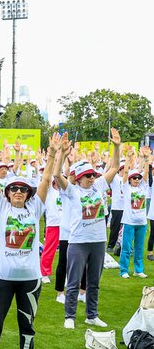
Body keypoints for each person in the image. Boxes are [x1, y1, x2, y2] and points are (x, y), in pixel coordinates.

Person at [0, 130, 57, 349]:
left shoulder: (35, 208)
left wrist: (54, 153)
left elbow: (45, 180)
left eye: (23, 189)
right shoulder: (0, 207)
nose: (18, 192)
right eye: (14, 189)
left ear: (28, 193)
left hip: (30, 278)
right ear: (8, 193)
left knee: (28, 325)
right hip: (1, 277)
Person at [55, 128, 121, 329]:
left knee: (94, 282)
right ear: (78, 178)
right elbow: (57, 175)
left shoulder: (100, 186)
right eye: (87, 175)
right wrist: (62, 155)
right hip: (78, 241)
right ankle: (70, 316)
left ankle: (92, 315)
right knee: (73, 281)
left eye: (92, 174)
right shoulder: (71, 191)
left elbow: (115, 166)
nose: (91, 178)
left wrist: (117, 147)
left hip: (98, 241)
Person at [118, 147, 150, 279]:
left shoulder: (143, 187)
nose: (137, 179)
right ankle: (123, 270)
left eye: (138, 178)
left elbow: (147, 172)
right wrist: (128, 158)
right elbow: (125, 172)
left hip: (142, 222)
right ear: (130, 180)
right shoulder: (126, 188)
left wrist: (147, 159)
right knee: (126, 248)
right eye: (134, 178)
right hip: (129, 222)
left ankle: (138, 270)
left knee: (139, 248)